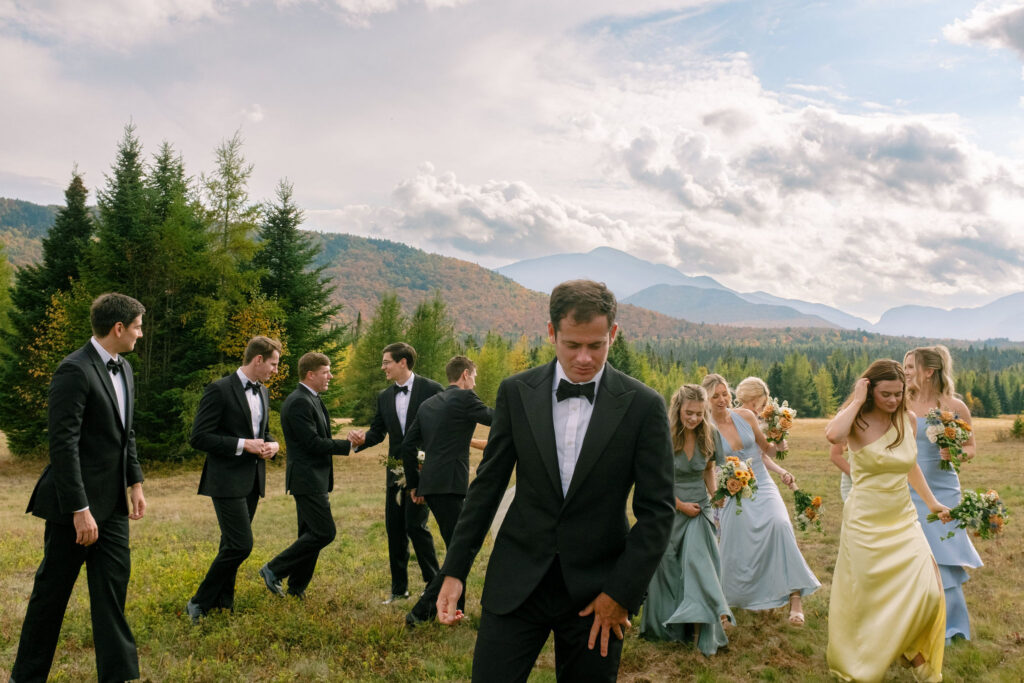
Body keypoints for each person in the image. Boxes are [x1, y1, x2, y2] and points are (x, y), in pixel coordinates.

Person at [436, 279, 675, 683]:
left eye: (596, 345)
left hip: (598, 594)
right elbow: (487, 487)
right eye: (572, 345)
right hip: (516, 583)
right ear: (551, 333)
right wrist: (455, 570)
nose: (584, 358)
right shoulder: (516, 392)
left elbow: (657, 512)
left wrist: (621, 594)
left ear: (613, 335)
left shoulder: (644, 406)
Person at [11, 293, 147, 683]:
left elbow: (126, 434)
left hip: (114, 506)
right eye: (137, 326)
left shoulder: (126, 370)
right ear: (118, 328)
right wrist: (79, 509)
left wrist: (135, 481)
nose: (141, 333)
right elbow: (63, 445)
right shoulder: (74, 370)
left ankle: (117, 677)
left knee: (111, 597)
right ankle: (26, 677)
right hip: (73, 510)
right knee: (50, 598)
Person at [825, 360, 951, 683]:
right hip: (865, 521)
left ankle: (911, 649)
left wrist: (933, 502)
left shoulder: (908, 420)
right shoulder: (857, 421)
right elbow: (832, 435)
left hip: (903, 518)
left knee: (929, 593)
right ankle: (869, 658)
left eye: (899, 394)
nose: (894, 400)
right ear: (869, 390)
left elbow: (910, 467)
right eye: (886, 394)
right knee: (868, 597)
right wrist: (856, 401)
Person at [704, 374, 819, 625]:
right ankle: (726, 602)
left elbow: (766, 450)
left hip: (762, 482)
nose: (723, 399)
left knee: (780, 525)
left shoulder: (744, 417)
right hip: (730, 489)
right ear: (707, 400)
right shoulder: (705, 428)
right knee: (733, 537)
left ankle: (795, 597)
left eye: (725, 393)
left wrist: (779, 442)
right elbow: (707, 467)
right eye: (716, 396)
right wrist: (715, 495)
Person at [186, 335, 281, 622]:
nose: (275, 371)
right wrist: (242, 444)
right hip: (225, 480)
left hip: (252, 480)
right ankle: (199, 601)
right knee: (241, 545)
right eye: (274, 364)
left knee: (230, 544)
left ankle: (223, 603)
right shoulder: (219, 389)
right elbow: (199, 437)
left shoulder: (263, 392)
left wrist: (273, 445)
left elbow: (262, 432)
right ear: (258, 360)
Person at [639, 384, 733, 656]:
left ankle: (702, 627)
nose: (693, 419)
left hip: (699, 509)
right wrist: (679, 505)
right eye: (688, 413)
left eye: (699, 414)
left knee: (698, 564)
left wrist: (715, 494)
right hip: (670, 508)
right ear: (677, 408)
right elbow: (655, 479)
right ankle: (670, 629)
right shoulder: (664, 435)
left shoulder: (710, 433)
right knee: (668, 567)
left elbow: (708, 469)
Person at [400, 355, 493, 626]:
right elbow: (496, 419)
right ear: (465, 375)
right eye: (474, 377)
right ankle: (420, 613)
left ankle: (453, 609)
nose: (474, 383)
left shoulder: (429, 404)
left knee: (457, 545)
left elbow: (408, 446)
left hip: (431, 484)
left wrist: (415, 484)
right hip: (451, 484)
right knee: (460, 550)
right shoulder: (465, 398)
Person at [259, 352, 358, 600]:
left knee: (309, 535)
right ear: (310, 374)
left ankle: (297, 588)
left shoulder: (312, 398)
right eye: (326, 372)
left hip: (313, 478)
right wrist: (347, 445)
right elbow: (312, 443)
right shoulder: (299, 402)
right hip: (306, 479)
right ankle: (274, 569)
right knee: (324, 532)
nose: (330, 376)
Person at [904, 345, 982, 642]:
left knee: (944, 557)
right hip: (908, 490)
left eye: (911, 366)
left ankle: (952, 627)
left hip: (945, 489)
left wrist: (956, 454)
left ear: (929, 371)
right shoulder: (901, 403)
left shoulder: (955, 407)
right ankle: (916, 625)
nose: (906, 371)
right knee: (915, 557)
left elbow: (971, 448)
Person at [355, 341, 442, 604]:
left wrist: (429, 468)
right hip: (394, 472)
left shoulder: (432, 390)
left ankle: (433, 584)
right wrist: (360, 441)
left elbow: (441, 430)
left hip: (422, 470)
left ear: (402, 362)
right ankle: (398, 589)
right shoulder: (384, 396)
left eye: (386, 362)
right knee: (394, 529)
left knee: (416, 526)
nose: (383, 367)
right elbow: (377, 432)